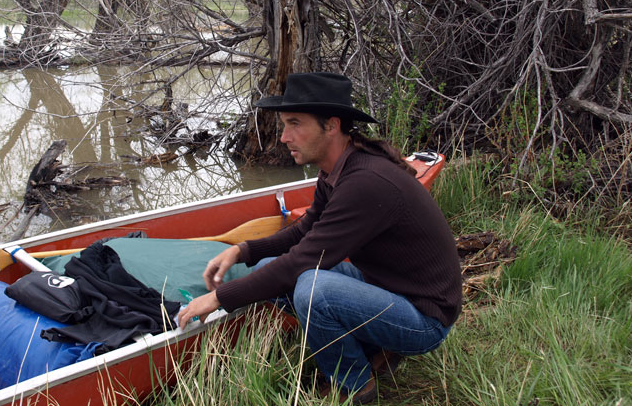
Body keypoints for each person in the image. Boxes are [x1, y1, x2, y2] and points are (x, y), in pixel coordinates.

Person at [177, 72, 462, 404]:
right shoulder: (337, 169)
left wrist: (220, 298)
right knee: (271, 268)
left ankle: (354, 384)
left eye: (295, 123)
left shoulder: (364, 182)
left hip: (424, 317)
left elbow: (303, 260)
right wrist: (242, 251)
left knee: (314, 289)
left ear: (332, 126)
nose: (284, 137)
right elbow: (303, 232)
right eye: (284, 124)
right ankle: (375, 347)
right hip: (386, 287)